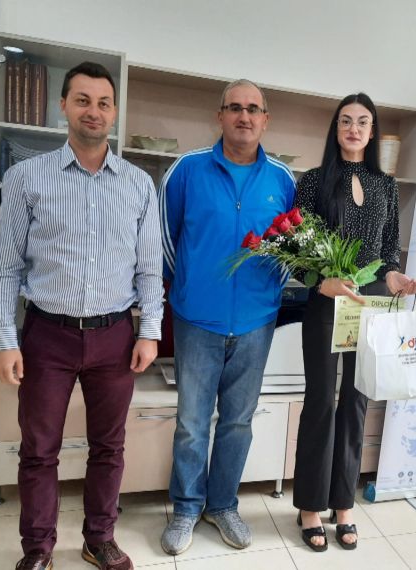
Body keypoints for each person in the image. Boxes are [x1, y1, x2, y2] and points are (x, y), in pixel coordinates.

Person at [0, 61, 163, 570]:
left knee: (109, 447)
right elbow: (5, 268)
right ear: (63, 105)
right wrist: (3, 339)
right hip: (47, 335)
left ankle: (99, 538)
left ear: (115, 112)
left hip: (114, 336)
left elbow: (150, 269)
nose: (94, 111)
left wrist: (149, 332)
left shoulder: (138, 185)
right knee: (39, 449)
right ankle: (38, 549)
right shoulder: (26, 178)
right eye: (82, 100)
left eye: (104, 103)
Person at [158, 79, 296, 555]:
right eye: (234, 107)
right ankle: (185, 508)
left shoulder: (282, 180)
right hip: (197, 320)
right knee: (192, 422)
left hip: (257, 323)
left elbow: (292, 248)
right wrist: (189, 288)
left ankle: (222, 505)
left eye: (253, 109)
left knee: (238, 421)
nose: (244, 116)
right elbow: (165, 242)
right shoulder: (186, 170)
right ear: (219, 116)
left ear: (265, 120)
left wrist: (267, 296)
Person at [292, 93, 416, 551]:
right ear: (336, 128)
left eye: (362, 122)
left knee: (356, 401)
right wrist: (320, 281)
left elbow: (388, 250)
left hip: (373, 305)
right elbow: (298, 247)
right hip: (328, 302)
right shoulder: (313, 181)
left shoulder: (385, 184)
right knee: (321, 401)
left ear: (372, 131)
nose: (353, 129)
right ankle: (310, 506)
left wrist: (396, 276)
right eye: (346, 121)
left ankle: (343, 504)